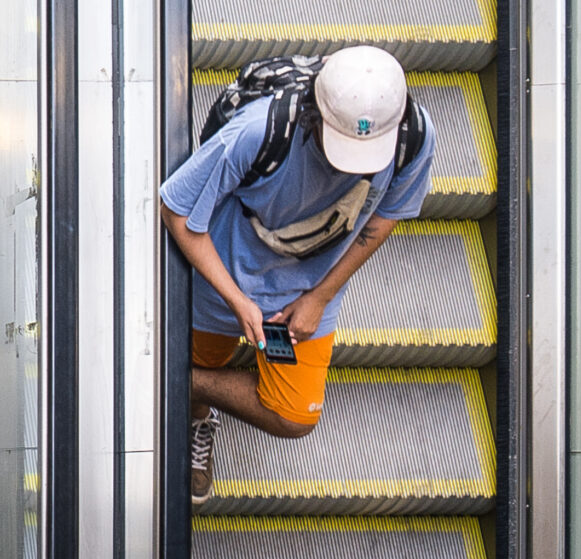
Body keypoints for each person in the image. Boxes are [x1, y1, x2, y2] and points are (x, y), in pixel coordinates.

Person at [161, 45, 434, 502]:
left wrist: (321, 296)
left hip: (308, 286)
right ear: (314, 114)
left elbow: (385, 216)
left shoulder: (411, 135)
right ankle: (196, 410)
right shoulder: (257, 132)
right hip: (223, 274)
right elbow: (177, 210)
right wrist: (236, 300)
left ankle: (181, 382)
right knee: (208, 357)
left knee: (294, 414)